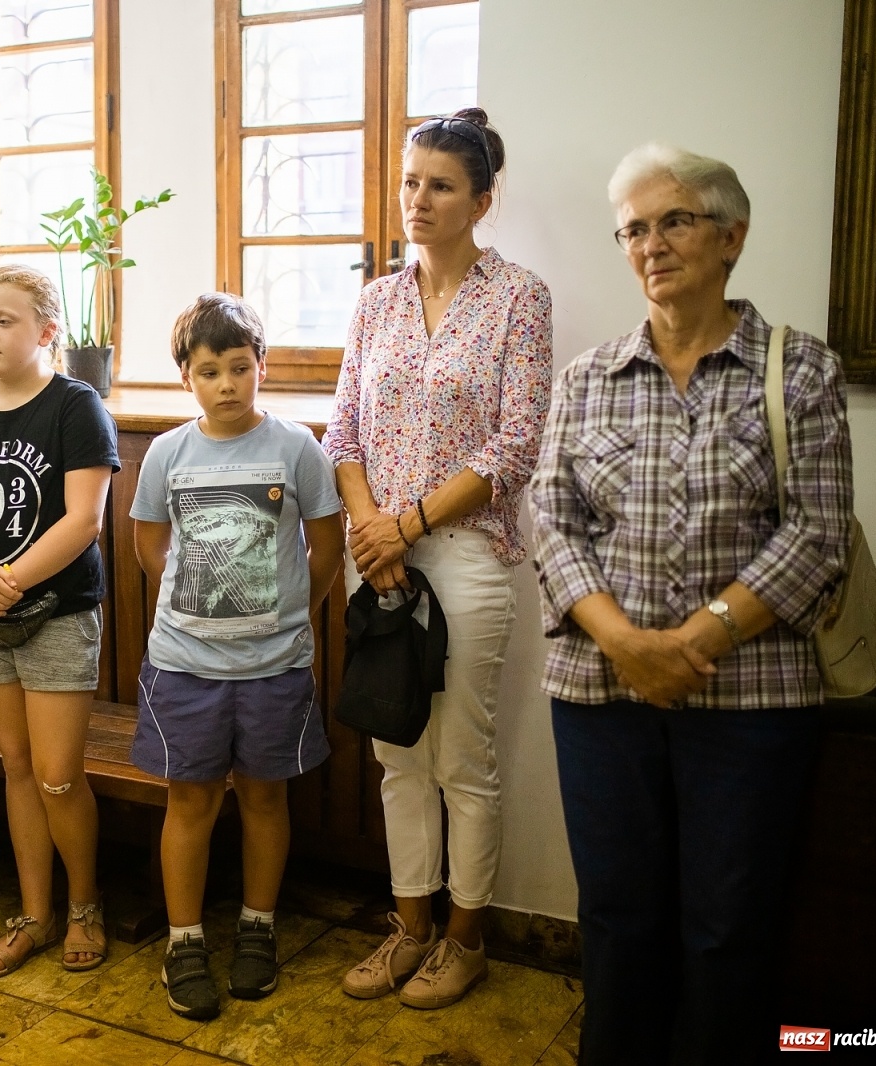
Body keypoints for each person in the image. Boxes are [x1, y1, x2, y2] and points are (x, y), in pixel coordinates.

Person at [528, 143, 852, 1063]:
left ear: (731, 237)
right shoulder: (588, 378)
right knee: (619, 922)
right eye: (634, 228)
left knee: (729, 931)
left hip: (752, 704)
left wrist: (691, 642)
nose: (651, 244)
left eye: (674, 220)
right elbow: (552, 522)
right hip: (600, 696)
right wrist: (627, 643)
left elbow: (817, 533)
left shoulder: (798, 372)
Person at [324, 107, 553, 1009]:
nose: (418, 199)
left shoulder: (518, 297)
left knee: (462, 757)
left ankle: (466, 937)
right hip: (375, 550)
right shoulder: (376, 299)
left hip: (463, 553)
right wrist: (370, 527)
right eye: (410, 181)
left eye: (441, 185)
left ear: (482, 200)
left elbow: (514, 447)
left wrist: (406, 522)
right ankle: (408, 928)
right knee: (397, 755)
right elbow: (344, 428)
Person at [131, 293, 344, 1020]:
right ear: (186, 377)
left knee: (263, 795)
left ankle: (258, 924)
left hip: (275, 667)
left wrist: (286, 618)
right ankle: (183, 939)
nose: (226, 384)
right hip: (183, 666)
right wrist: (202, 610)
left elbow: (326, 548)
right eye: (208, 371)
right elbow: (151, 548)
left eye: (239, 368)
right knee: (189, 800)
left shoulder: (296, 447)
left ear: (262, 367)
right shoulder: (168, 453)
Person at [0, 262, 120, 977]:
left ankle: (85, 906)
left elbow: (83, 523)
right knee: (16, 768)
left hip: (57, 615)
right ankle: (34, 915)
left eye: (4, 321)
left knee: (59, 775)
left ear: (46, 330)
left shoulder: (75, 405)